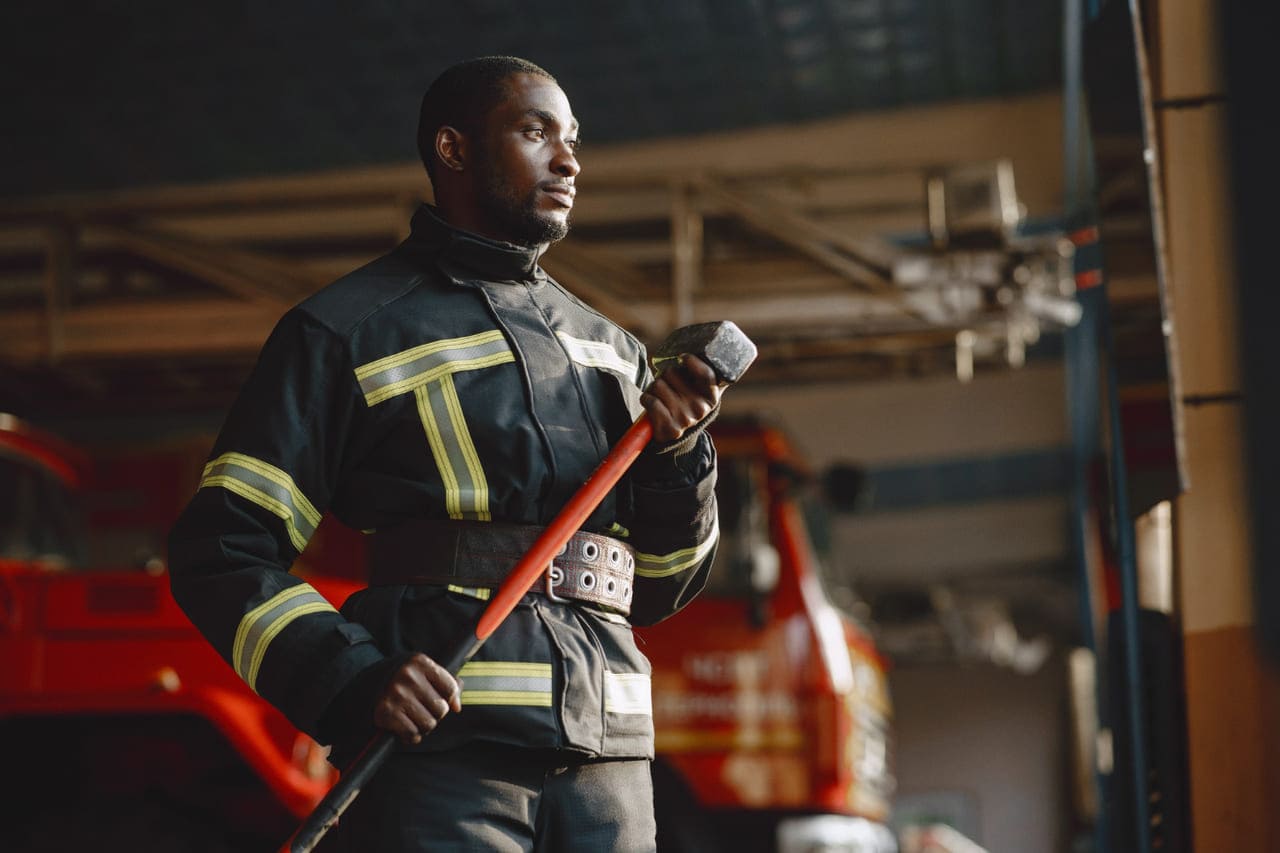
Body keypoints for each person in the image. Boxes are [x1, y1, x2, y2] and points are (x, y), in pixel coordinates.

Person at [168, 56, 722, 852]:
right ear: (453, 150)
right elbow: (220, 549)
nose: (568, 160)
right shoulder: (344, 333)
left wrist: (679, 454)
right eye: (536, 133)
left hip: (614, 767)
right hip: (439, 765)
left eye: (572, 139)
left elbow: (663, 585)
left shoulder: (615, 352)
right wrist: (350, 680)